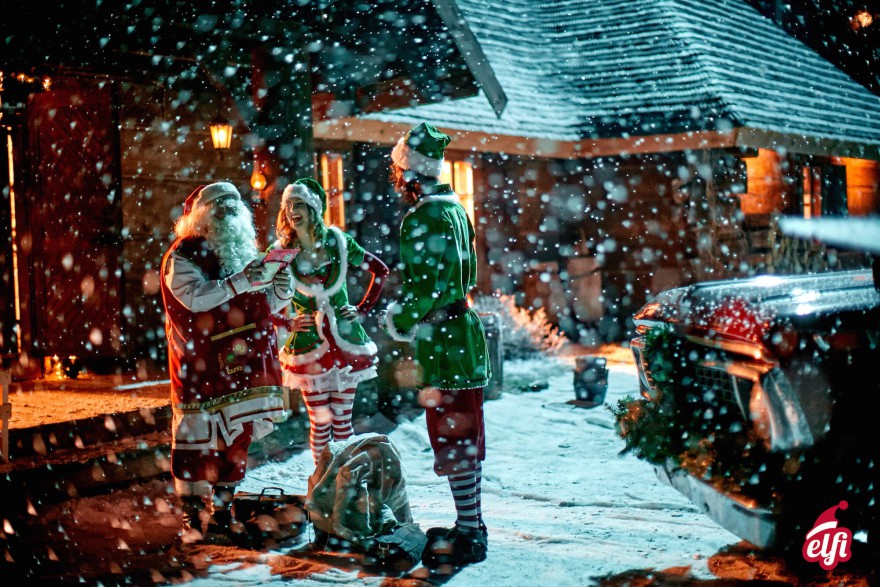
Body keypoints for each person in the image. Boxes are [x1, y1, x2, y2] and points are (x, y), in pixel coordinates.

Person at [382, 122, 492, 569]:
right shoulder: (455, 209)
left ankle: (469, 534)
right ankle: (472, 524)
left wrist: (401, 319)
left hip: (443, 341)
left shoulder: (423, 217)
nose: (396, 181)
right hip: (463, 332)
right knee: (466, 432)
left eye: (397, 172)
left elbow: (424, 288)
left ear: (409, 174)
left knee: (452, 433)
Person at [160, 181, 292, 539]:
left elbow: (263, 307)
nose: (229, 215)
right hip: (200, 366)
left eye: (235, 208)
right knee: (195, 443)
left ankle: (221, 512)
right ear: (201, 217)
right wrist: (241, 282)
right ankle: (191, 519)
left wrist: (280, 285)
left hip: (239, 368)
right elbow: (194, 299)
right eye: (220, 208)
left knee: (235, 442)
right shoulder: (182, 255)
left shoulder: (240, 254)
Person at [271, 178, 389, 464]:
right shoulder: (281, 253)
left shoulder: (339, 242)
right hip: (309, 346)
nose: (292, 211)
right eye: (288, 206)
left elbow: (380, 270)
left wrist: (361, 308)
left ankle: (343, 483)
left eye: (299, 204)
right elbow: (257, 297)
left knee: (343, 423)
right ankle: (323, 482)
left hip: (346, 341)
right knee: (320, 424)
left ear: (313, 207)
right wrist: (287, 324)